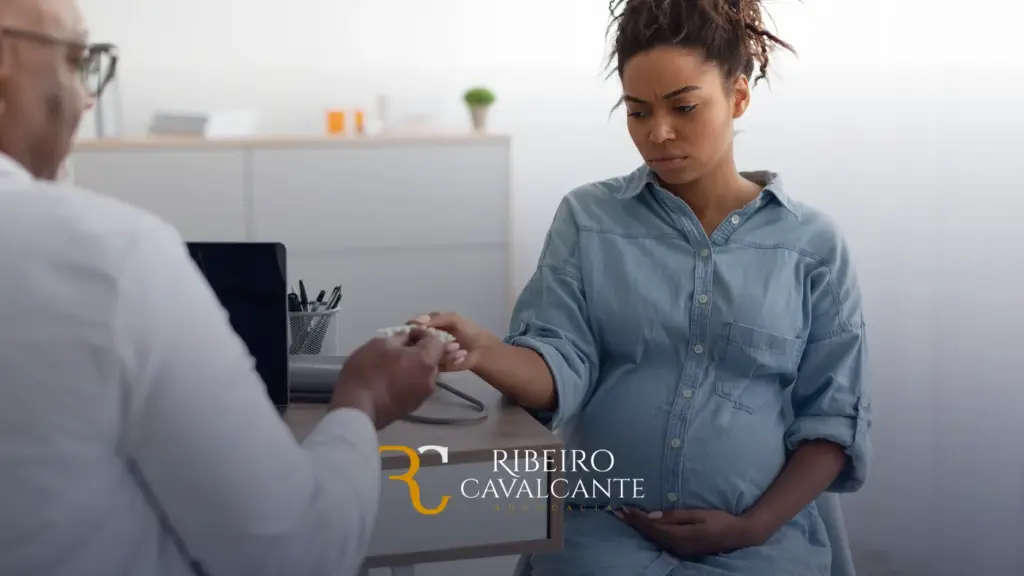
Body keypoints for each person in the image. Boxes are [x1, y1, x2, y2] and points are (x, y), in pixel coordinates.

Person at [0, 1, 461, 575]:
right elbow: (296, 552)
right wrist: (363, 400)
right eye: (76, 60)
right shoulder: (112, 256)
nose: (86, 97)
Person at [410, 0, 870, 574]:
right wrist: (483, 350)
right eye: (636, 112)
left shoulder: (812, 245)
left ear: (739, 96)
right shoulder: (588, 217)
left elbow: (831, 416)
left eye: (684, 107)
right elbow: (559, 366)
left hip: (758, 542)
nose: (658, 132)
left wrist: (752, 527)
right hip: (599, 534)